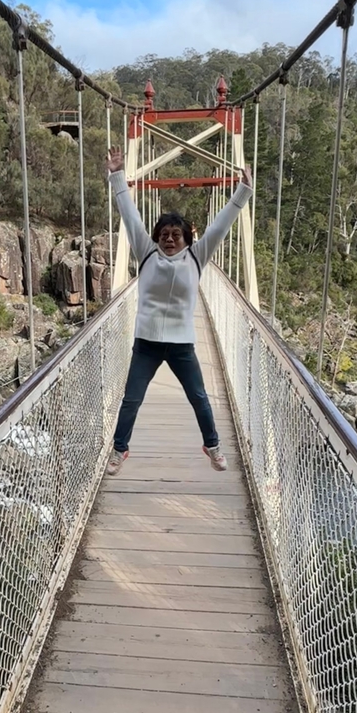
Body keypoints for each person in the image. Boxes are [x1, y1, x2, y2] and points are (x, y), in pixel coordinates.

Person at [105, 145, 253, 476]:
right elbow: (129, 214)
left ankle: (212, 446)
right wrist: (116, 175)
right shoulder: (145, 252)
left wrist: (243, 190)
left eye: (176, 235)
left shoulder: (197, 257)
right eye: (164, 234)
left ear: (187, 238)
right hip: (146, 343)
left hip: (182, 344)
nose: (169, 239)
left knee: (200, 397)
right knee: (132, 400)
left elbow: (222, 223)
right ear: (156, 237)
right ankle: (119, 450)